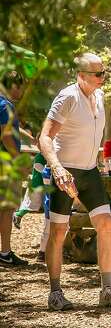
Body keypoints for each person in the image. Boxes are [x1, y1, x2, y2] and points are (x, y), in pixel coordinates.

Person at [39, 53, 111, 311]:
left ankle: (108, 290)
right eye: (98, 74)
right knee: (58, 232)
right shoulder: (67, 97)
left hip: (90, 173)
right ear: (81, 75)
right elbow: (44, 137)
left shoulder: (99, 96)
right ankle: (55, 293)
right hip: (65, 173)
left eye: (104, 72)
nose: (103, 78)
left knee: (106, 224)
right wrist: (57, 168)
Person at [0, 70, 29, 266]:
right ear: (13, 86)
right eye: (21, 87)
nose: (22, 92)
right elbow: (7, 136)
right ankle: (5, 252)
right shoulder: (5, 106)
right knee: (7, 208)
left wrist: (30, 137)